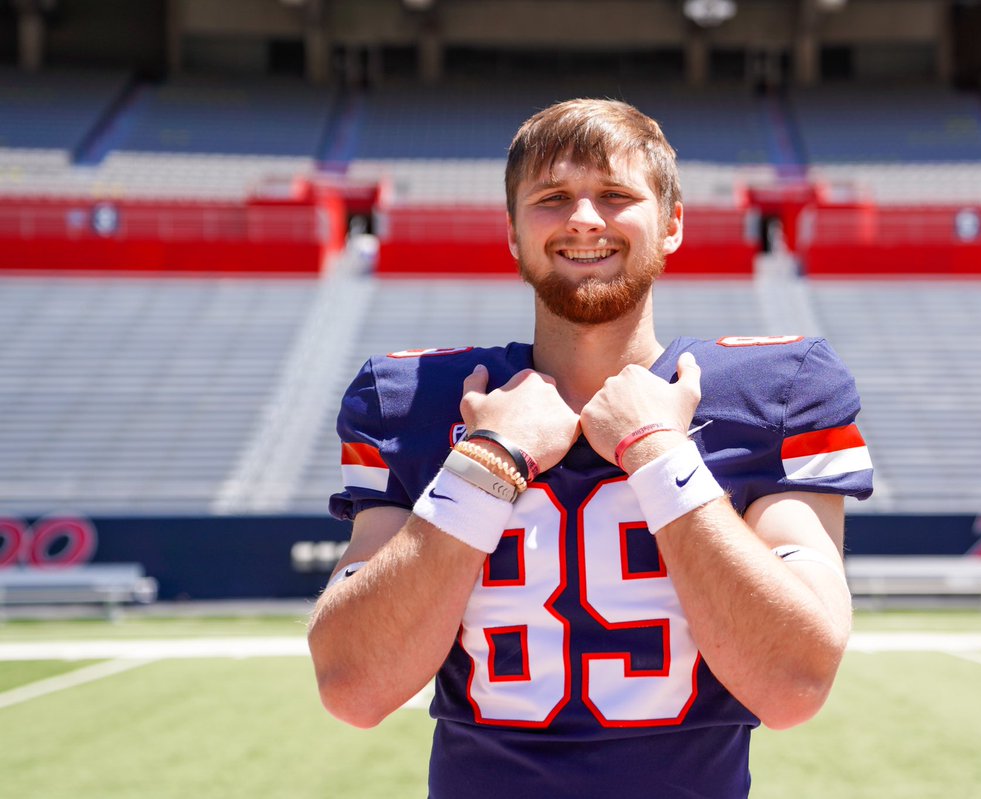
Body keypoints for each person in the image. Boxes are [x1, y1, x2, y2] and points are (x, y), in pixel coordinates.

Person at [307, 98, 874, 798]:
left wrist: (660, 455)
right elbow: (353, 686)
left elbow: (795, 682)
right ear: (512, 232)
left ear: (672, 224)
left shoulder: (776, 392)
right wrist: (487, 464)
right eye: (551, 198)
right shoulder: (415, 401)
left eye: (615, 195)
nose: (583, 219)